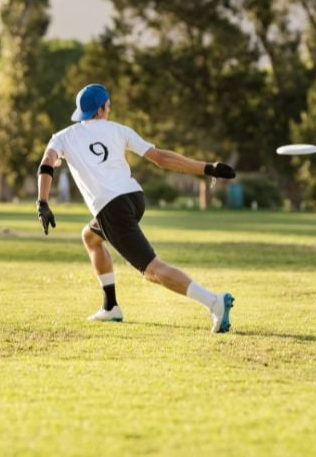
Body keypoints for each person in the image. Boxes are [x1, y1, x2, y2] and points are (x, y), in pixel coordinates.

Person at [36, 83, 236, 333]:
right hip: (134, 198)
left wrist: (42, 201)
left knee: (152, 270)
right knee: (91, 237)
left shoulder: (63, 136)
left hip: (112, 207)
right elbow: (162, 158)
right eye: (108, 106)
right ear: (100, 109)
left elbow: (47, 163)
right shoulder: (120, 130)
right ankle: (111, 307)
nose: (109, 109)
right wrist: (209, 167)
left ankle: (214, 302)